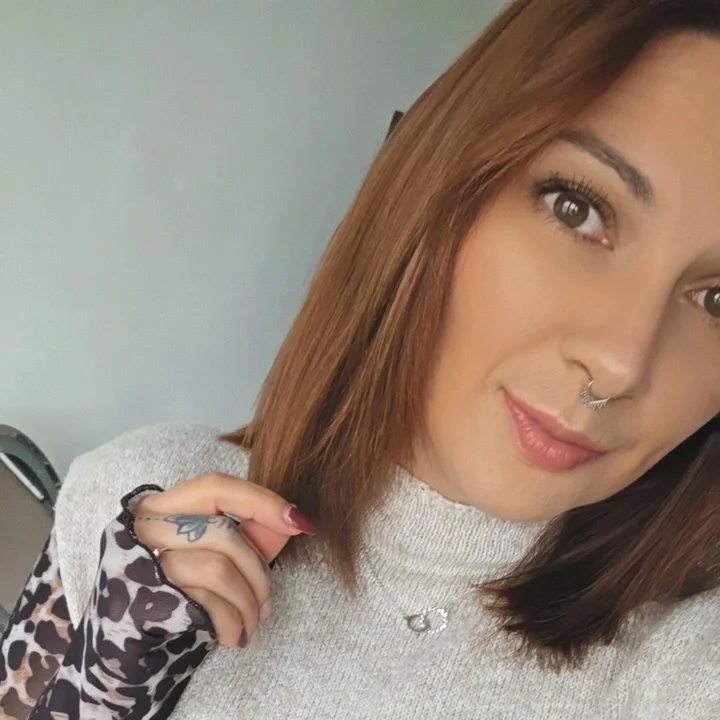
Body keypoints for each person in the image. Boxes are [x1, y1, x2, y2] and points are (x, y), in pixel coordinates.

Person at [2, 0, 719, 717]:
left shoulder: (682, 673)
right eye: (576, 210)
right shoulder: (140, 509)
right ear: (438, 193)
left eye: (717, 299)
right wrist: (102, 691)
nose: (620, 364)